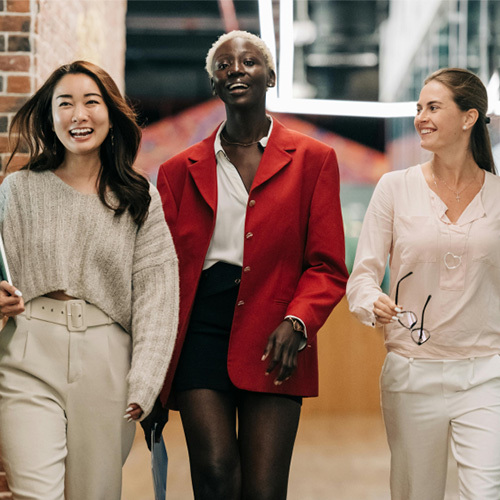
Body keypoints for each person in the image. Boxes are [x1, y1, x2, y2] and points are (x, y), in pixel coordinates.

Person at [153, 30, 348, 499]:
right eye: (223, 65)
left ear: (272, 76)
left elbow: (327, 265)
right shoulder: (177, 171)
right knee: (216, 471)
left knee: (263, 488)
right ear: (214, 86)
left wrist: (298, 321)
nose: (235, 69)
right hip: (200, 328)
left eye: (249, 61)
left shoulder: (314, 160)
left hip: (277, 331)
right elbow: (159, 270)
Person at [0, 61, 179, 500]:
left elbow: (158, 293)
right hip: (26, 350)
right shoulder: (18, 189)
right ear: (50, 117)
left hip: (107, 362)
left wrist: (146, 379)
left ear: (110, 113)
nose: (78, 115)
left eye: (90, 102)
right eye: (65, 104)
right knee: (34, 492)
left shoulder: (139, 197)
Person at [347, 67, 500, 500]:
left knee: (487, 492)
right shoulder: (394, 188)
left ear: (469, 118)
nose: (421, 117)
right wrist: (370, 301)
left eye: (433, 107)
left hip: (489, 373)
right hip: (412, 374)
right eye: (418, 109)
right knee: (417, 494)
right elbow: (362, 277)